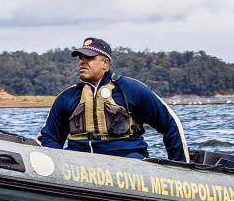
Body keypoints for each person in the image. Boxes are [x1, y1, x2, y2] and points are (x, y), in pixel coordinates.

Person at [37, 37, 188, 161]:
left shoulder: (132, 90)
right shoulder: (66, 97)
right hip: (79, 167)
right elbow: (50, 138)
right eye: (80, 58)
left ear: (105, 63)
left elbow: (170, 124)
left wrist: (179, 167)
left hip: (128, 167)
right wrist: (61, 163)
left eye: (89, 57)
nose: (82, 61)